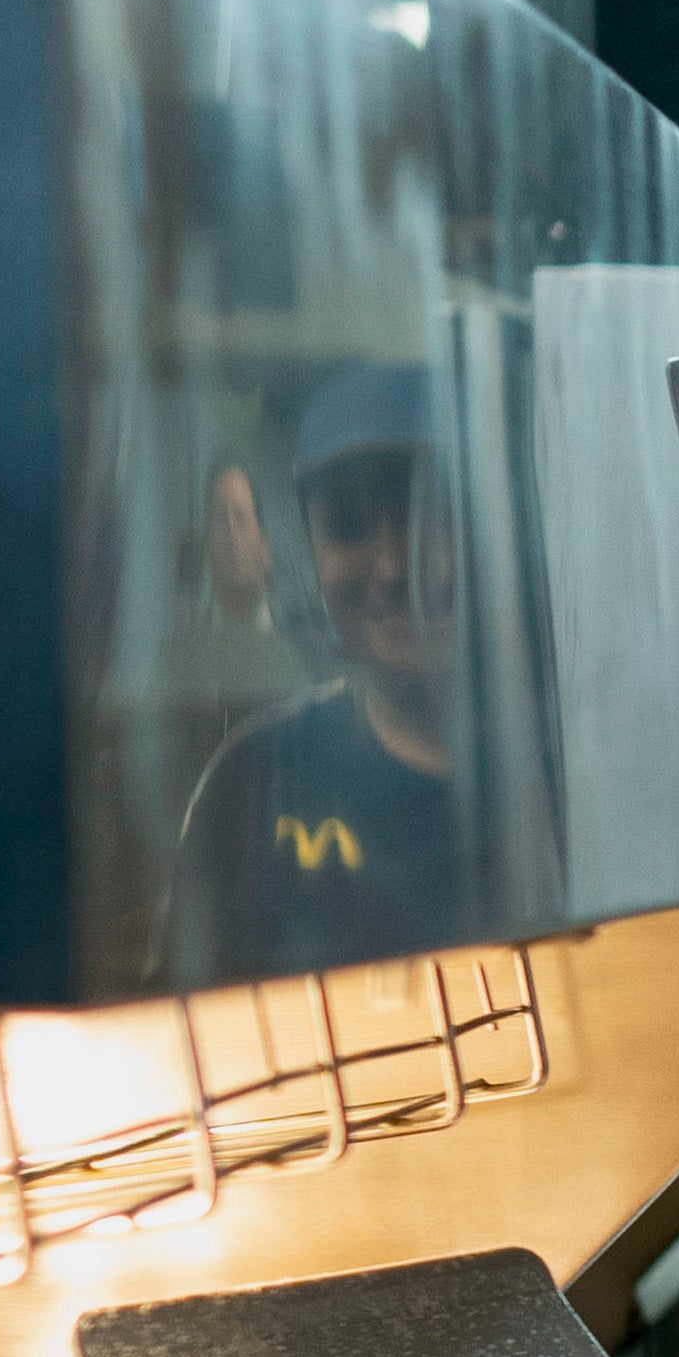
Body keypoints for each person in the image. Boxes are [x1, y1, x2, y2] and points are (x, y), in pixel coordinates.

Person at [171, 361, 461, 966]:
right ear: (309, 548)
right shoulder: (253, 778)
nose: (391, 567)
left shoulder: (573, 769)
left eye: (427, 516)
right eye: (350, 526)